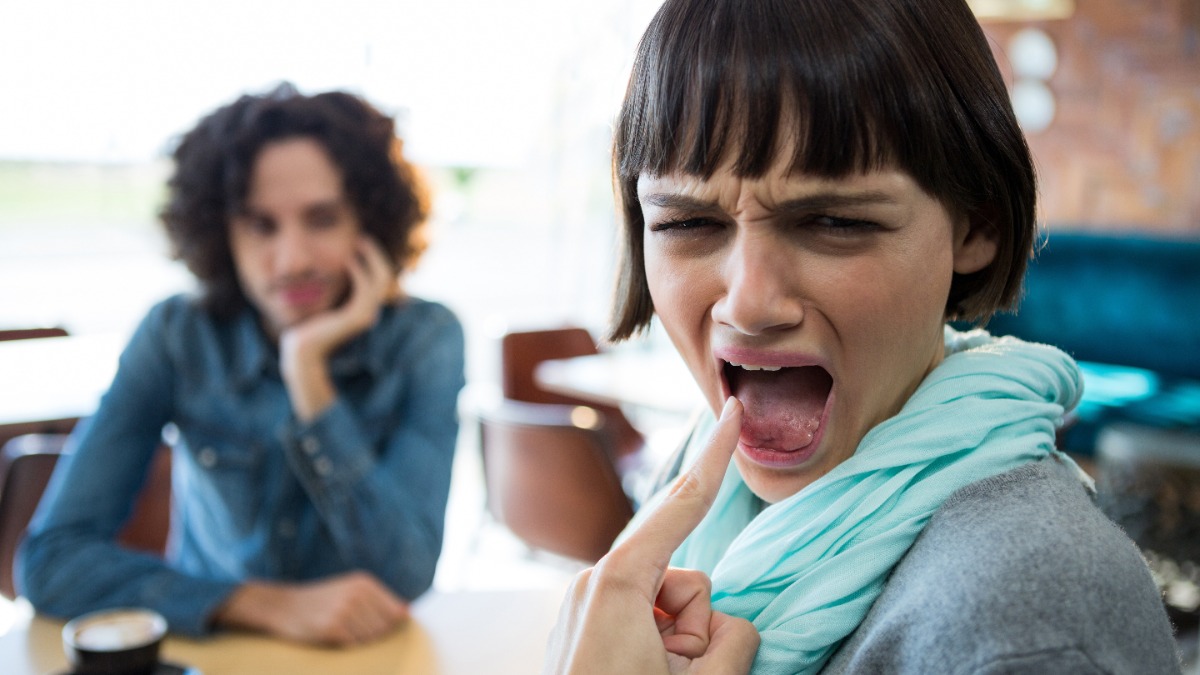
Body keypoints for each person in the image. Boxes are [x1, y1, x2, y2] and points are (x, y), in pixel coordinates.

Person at [546, 0, 1182, 673]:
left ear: (974, 229)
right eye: (686, 224)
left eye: (832, 221)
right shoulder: (694, 510)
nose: (750, 302)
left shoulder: (1020, 628)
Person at [19, 84, 466, 647]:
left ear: (369, 226)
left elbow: (405, 573)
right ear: (221, 233)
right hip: (217, 652)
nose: (293, 259)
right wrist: (258, 604)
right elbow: (53, 561)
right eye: (260, 225)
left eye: (322, 219)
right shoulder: (177, 335)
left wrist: (309, 375)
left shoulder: (426, 338)